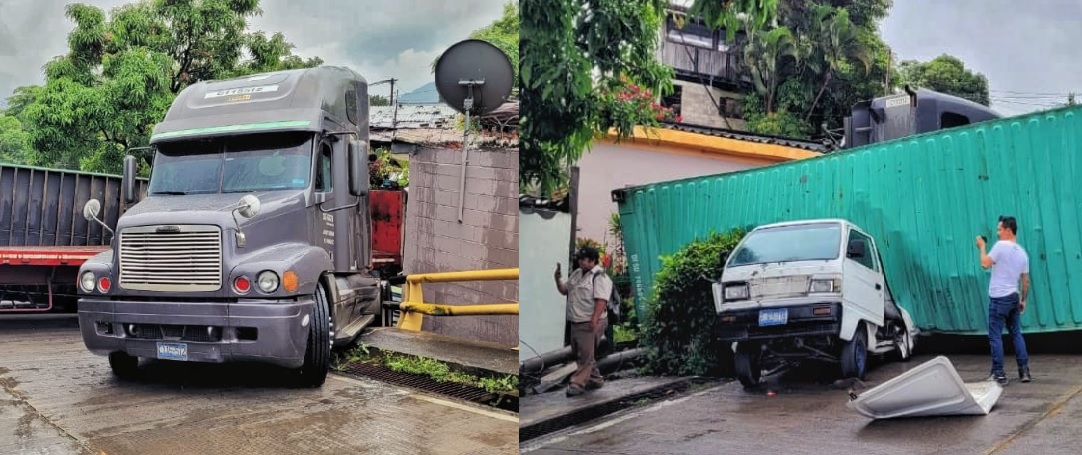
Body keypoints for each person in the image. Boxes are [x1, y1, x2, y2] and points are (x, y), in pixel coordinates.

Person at [976, 215, 1032, 385]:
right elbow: (1026, 281)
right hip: (1014, 297)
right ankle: (1024, 372)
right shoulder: (1023, 254)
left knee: (995, 337)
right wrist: (1023, 300)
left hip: (999, 299)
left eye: (1000, 229)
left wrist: (982, 246)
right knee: (1016, 334)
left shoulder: (1000, 246)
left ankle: (999, 374)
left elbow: (985, 264)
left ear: (1008, 230)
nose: (997, 233)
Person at [554, 246, 613, 397]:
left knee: (585, 355)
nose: (580, 261)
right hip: (576, 321)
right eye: (579, 258)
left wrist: (593, 320)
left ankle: (577, 384)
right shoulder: (577, 273)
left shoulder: (600, 277)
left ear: (592, 260)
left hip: (590, 321)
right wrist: (557, 278)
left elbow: (602, 300)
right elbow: (564, 290)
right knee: (580, 352)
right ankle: (595, 379)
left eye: (583, 259)